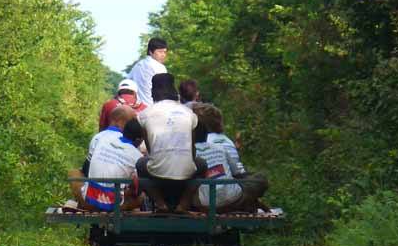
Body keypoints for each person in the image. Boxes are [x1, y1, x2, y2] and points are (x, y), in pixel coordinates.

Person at [136, 73, 206, 211]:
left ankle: (160, 203)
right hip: (186, 172)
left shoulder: (145, 114)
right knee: (202, 164)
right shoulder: (188, 112)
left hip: (157, 172)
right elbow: (192, 150)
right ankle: (184, 203)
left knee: (140, 164)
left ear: (152, 92)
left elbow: (150, 149)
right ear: (174, 90)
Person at [192, 103, 268, 212]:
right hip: (231, 198)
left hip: (205, 204)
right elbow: (237, 174)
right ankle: (247, 202)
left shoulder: (190, 151)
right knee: (259, 178)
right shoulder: (221, 146)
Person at [69, 106, 144, 211]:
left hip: (89, 200)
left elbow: (86, 169)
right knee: (140, 196)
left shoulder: (101, 138)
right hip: (115, 205)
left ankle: (81, 202)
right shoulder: (137, 155)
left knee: (74, 173)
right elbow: (135, 186)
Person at [127, 37, 168, 106]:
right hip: (154, 107)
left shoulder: (137, 66)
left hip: (138, 107)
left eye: (164, 52)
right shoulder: (160, 67)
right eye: (160, 52)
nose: (163, 55)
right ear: (150, 52)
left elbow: (128, 82)